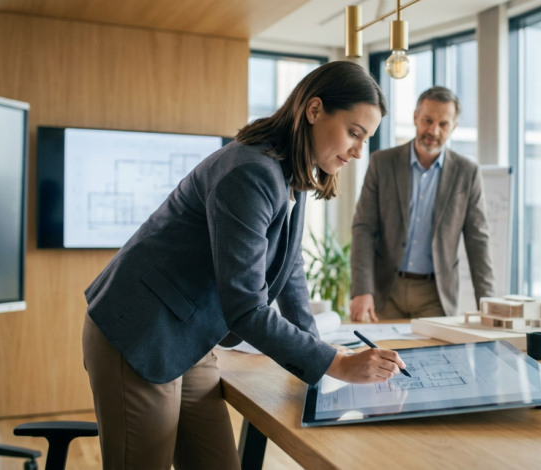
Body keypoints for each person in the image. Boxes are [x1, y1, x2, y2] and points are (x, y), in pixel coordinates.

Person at [82, 61, 406, 470]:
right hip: (141, 330)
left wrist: (319, 357)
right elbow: (246, 307)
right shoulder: (252, 170)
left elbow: (289, 267)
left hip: (190, 336)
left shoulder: (291, 171)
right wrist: (336, 363)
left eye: (367, 138)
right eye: (354, 133)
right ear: (314, 110)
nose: (360, 150)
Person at [350, 86, 496, 322]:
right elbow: (363, 229)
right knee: (380, 357)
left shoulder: (467, 173)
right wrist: (361, 290)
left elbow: (478, 240)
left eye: (443, 124)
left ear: (453, 127)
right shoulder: (382, 163)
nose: (433, 130)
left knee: (433, 359)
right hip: (386, 290)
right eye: (427, 120)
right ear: (415, 117)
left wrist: (488, 303)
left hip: (435, 295)